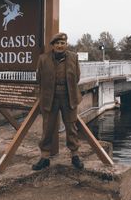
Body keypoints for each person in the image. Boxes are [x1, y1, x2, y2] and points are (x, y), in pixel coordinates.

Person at [32, 32, 84, 171]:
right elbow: (39, 79)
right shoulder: (43, 59)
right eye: (57, 43)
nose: (60, 46)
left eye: (62, 43)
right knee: (47, 128)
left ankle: (75, 156)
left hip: (69, 97)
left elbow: (77, 77)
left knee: (71, 128)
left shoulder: (73, 57)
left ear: (66, 45)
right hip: (50, 97)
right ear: (53, 45)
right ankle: (44, 158)